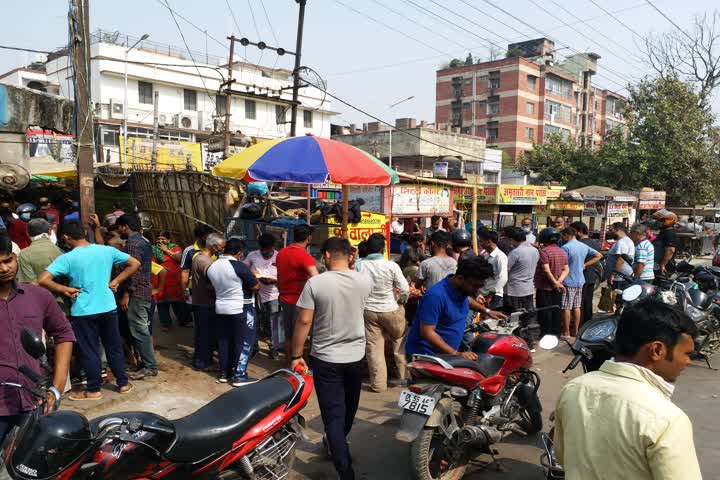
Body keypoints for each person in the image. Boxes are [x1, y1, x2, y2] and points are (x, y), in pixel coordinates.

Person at [554, 300, 702, 480]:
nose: (688, 362)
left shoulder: (573, 389)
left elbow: (562, 457)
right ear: (657, 350)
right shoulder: (667, 419)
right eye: (686, 354)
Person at [290, 238, 373, 480]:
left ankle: (344, 468)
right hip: (356, 356)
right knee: (348, 409)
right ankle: (336, 446)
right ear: (350, 256)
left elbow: (304, 321)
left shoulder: (315, 283)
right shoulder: (364, 281)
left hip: (326, 358)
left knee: (334, 415)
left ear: (326, 255)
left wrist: (296, 355)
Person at [38, 220, 139, 400]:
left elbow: (43, 279)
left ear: (66, 237)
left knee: (89, 350)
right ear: (84, 233)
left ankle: (93, 390)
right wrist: (116, 281)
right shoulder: (106, 250)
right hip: (108, 307)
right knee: (114, 346)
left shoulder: (67, 258)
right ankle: (123, 384)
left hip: (83, 310)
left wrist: (64, 289)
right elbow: (134, 263)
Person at [0, 235, 75, 442]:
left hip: (34, 403)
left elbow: (63, 334)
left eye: (8, 261)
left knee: (32, 469)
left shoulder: (38, 296)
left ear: (15, 258)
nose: (5, 268)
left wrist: (57, 388)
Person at [406, 256, 495, 359]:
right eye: (475, 286)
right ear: (460, 278)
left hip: (445, 355)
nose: (477, 290)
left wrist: (486, 311)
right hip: (427, 357)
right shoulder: (435, 296)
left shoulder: (460, 291)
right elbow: (427, 332)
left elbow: (467, 300)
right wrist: (456, 354)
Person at [355, 233, 410, 393]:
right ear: (383, 248)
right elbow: (405, 288)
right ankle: (402, 380)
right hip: (391, 309)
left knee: (374, 349)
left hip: (369, 311)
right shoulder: (391, 265)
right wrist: (401, 300)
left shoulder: (360, 265)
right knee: (399, 343)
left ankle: (378, 385)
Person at [207, 237, 260, 386]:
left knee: (224, 341)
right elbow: (255, 286)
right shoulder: (238, 266)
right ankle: (240, 375)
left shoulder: (213, 266)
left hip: (221, 307)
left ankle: (224, 373)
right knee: (244, 342)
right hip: (241, 307)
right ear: (239, 253)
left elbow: (209, 287)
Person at [115, 214, 159, 380]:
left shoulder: (132, 244)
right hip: (143, 291)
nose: (119, 231)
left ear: (125, 226)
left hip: (136, 294)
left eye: (119, 228)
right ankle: (146, 363)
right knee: (140, 330)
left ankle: (149, 366)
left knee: (139, 331)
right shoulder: (143, 241)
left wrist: (126, 293)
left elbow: (135, 271)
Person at [276, 224, 319, 357]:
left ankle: (289, 364)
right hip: (301, 301)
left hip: (284, 298)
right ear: (309, 238)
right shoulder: (304, 256)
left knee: (289, 335)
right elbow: (316, 278)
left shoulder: (281, 253)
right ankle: (298, 365)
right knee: (301, 335)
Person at [245, 233, 282, 360]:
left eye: (268, 249)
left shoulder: (279, 256)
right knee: (255, 320)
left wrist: (275, 281)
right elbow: (244, 271)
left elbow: (284, 275)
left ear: (273, 247)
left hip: (274, 295)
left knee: (274, 321)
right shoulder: (252, 255)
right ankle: (254, 347)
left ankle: (274, 347)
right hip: (256, 294)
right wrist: (253, 275)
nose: (265, 252)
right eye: (263, 249)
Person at [560, 227, 602, 338]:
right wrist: (585, 265)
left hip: (568, 280)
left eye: (562, 235)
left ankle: (566, 332)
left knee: (566, 307)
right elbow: (599, 255)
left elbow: (562, 265)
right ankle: (576, 331)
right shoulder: (583, 246)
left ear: (567, 235)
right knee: (577, 306)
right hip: (580, 280)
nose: (562, 238)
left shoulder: (565, 247)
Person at [191, 233, 224, 371]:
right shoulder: (205, 262)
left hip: (200, 301)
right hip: (206, 302)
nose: (221, 250)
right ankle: (203, 362)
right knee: (206, 334)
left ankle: (201, 360)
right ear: (214, 246)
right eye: (221, 247)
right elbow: (211, 284)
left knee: (202, 333)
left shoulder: (199, 258)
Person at [535, 228, 569, 337]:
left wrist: (555, 283)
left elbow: (546, 269)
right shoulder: (562, 251)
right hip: (557, 288)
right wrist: (559, 282)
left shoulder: (544, 251)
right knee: (556, 311)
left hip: (545, 288)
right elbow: (566, 269)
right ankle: (556, 334)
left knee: (544, 313)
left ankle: (545, 335)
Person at [570, 221, 603, 325]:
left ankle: (579, 324)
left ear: (579, 231)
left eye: (573, 231)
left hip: (580, 276)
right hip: (592, 276)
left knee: (579, 303)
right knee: (588, 301)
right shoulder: (595, 243)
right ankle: (587, 322)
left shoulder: (579, 244)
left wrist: (583, 265)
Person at [153, 231, 185, 331]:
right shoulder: (153, 249)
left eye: (163, 239)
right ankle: (166, 324)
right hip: (160, 281)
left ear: (168, 240)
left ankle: (183, 321)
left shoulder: (174, 248)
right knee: (162, 304)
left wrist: (166, 250)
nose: (160, 241)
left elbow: (180, 259)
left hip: (174, 281)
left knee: (178, 303)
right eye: (158, 239)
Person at [17, 218, 63, 284]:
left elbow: (29, 283)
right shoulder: (61, 251)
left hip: (38, 293)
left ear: (28, 233)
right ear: (50, 231)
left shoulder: (24, 254)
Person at [505, 227, 539, 312]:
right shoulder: (535, 250)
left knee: (516, 315)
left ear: (513, 239)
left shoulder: (515, 252)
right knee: (528, 313)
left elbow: (506, 269)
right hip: (529, 287)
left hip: (515, 289)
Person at [478, 230, 508, 310]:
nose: (480, 244)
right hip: (485, 294)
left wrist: (490, 295)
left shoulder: (500, 257)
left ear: (488, 242)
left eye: (481, 241)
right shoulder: (486, 256)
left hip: (494, 296)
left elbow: (503, 278)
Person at [606, 222, 635, 290]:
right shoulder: (626, 240)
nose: (610, 233)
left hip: (619, 278)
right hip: (622, 276)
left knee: (616, 298)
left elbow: (620, 261)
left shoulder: (621, 242)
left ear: (618, 230)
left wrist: (613, 275)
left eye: (611, 230)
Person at [652, 209, 679, 276]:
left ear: (668, 221)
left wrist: (662, 265)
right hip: (657, 265)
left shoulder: (669, 234)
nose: (658, 222)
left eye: (661, 220)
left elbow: (670, 250)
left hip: (664, 267)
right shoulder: (664, 232)